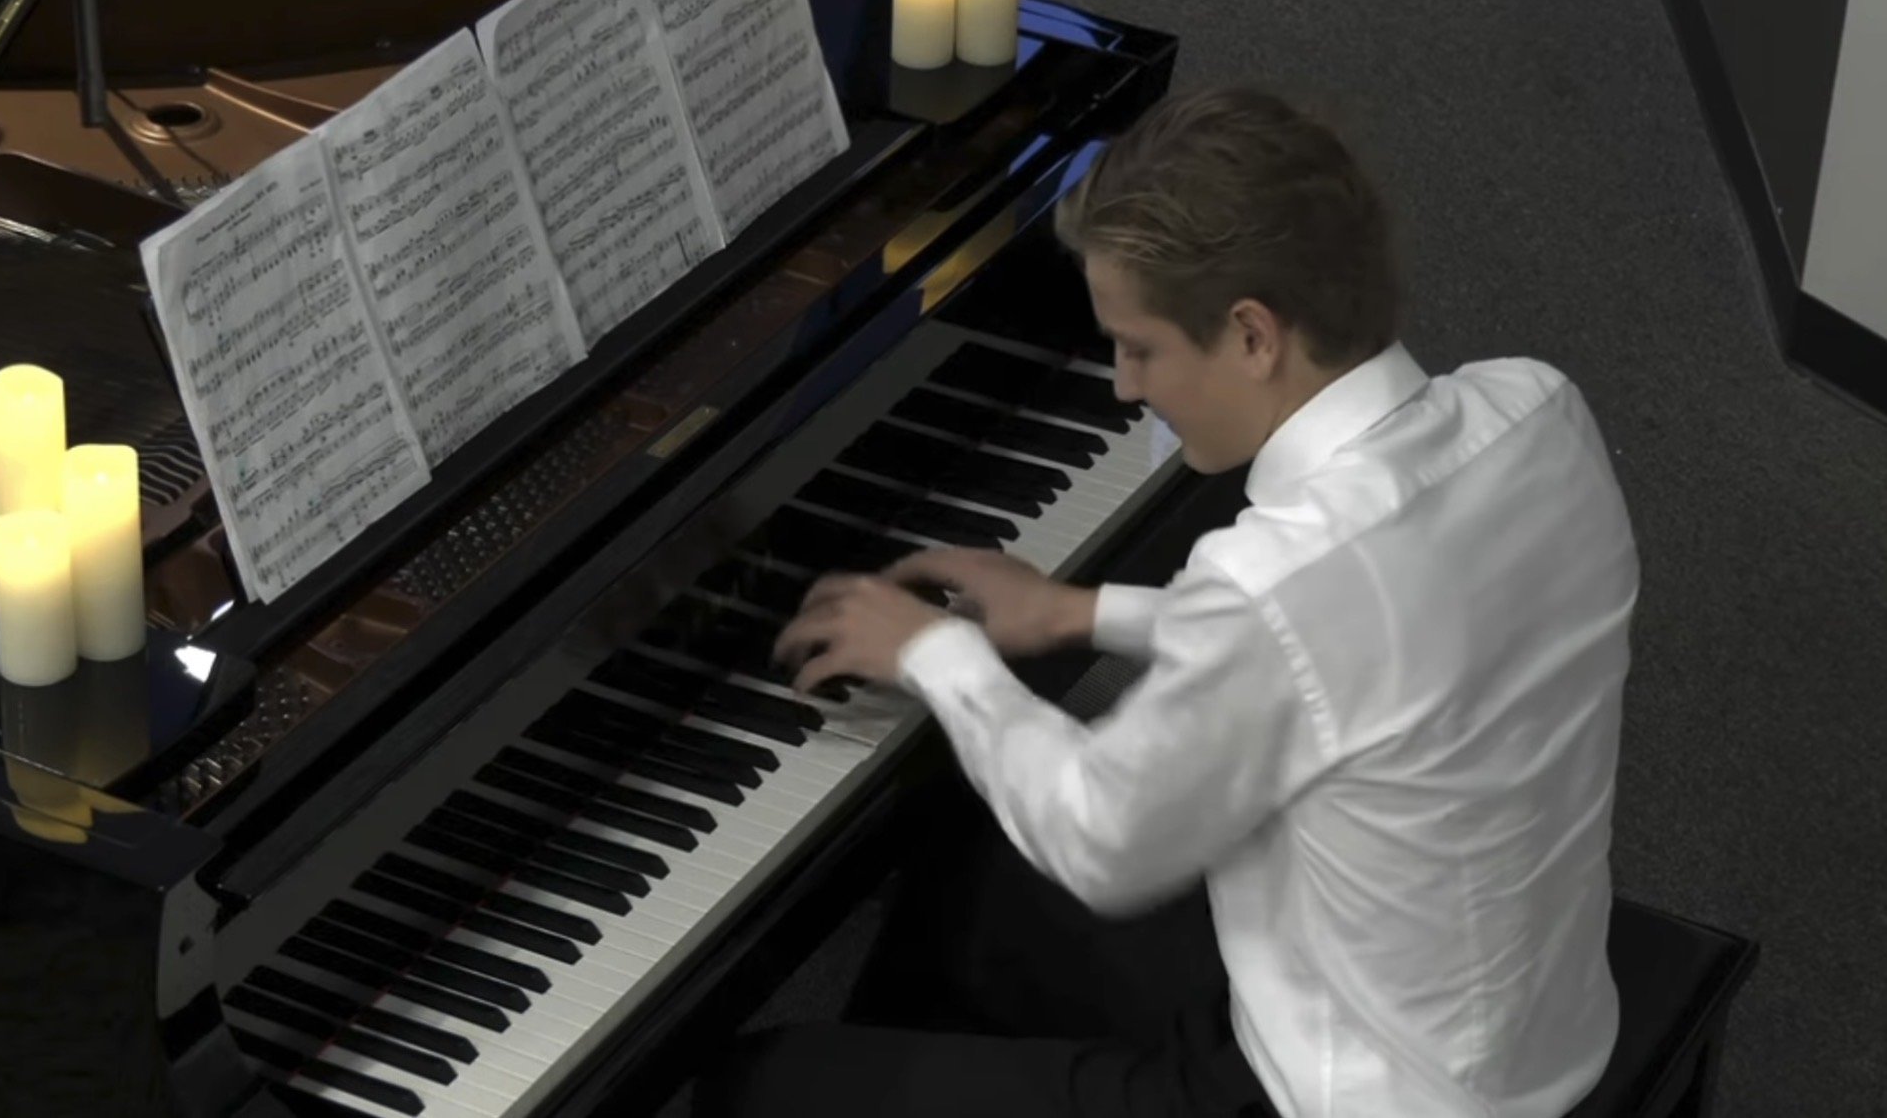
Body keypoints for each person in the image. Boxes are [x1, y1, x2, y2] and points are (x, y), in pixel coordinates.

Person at [692, 83, 1636, 1118]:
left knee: (761, 1084)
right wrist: (1084, 614)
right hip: (1527, 1019)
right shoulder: (1538, 407)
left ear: (1251, 336)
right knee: (969, 857)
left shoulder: (1273, 586)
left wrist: (934, 655)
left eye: (1139, 347)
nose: (1125, 387)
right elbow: (1375, 641)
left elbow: (1103, 841)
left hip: (1332, 1092)